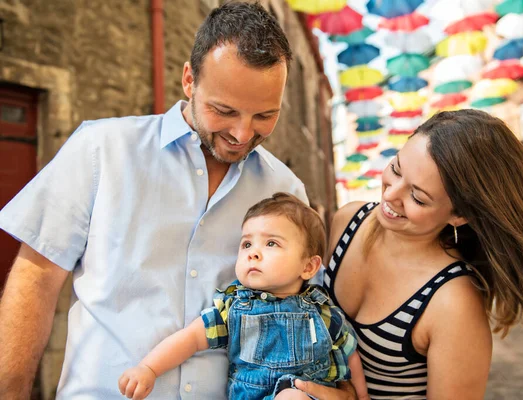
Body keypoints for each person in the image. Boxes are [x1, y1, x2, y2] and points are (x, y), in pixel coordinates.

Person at [0, 3, 354, 399]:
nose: (241, 133)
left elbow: (311, 316)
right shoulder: (101, 149)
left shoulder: (286, 189)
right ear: (189, 79)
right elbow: (37, 278)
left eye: (263, 116)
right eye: (224, 110)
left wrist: (338, 393)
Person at [322, 109, 523, 399]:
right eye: (396, 168)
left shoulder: (453, 301)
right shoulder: (347, 221)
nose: (391, 195)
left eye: (417, 196)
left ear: (459, 215)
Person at [117, 193, 369, 400]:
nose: (253, 253)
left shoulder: (322, 312)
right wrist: (148, 368)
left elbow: (350, 353)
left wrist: (361, 397)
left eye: (271, 243)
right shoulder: (235, 307)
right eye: (247, 244)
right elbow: (191, 338)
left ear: (308, 267)